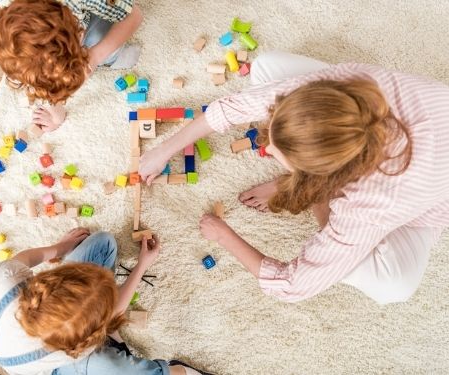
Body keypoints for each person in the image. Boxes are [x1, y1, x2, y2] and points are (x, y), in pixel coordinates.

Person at [138, 51, 449, 304]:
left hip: (425, 205)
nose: (267, 148)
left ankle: (317, 190)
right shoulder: (352, 80)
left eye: (279, 153)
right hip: (386, 144)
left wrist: (224, 235)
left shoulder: (368, 207)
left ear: (326, 175)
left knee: (394, 286)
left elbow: (292, 285)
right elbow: (233, 107)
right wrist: (164, 150)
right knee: (265, 67)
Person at [0, 228, 213, 374]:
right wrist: (142, 266)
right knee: (114, 367)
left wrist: (60, 248)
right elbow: (112, 315)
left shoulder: (10, 281)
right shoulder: (80, 351)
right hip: (59, 368)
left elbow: (25, 258)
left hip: (47, 337)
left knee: (103, 243)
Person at [0, 0, 143, 132]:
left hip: (87, 14)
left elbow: (134, 16)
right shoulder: (12, 21)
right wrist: (52, 102)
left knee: (104, 44)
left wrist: (96, 55)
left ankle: (114, 56)